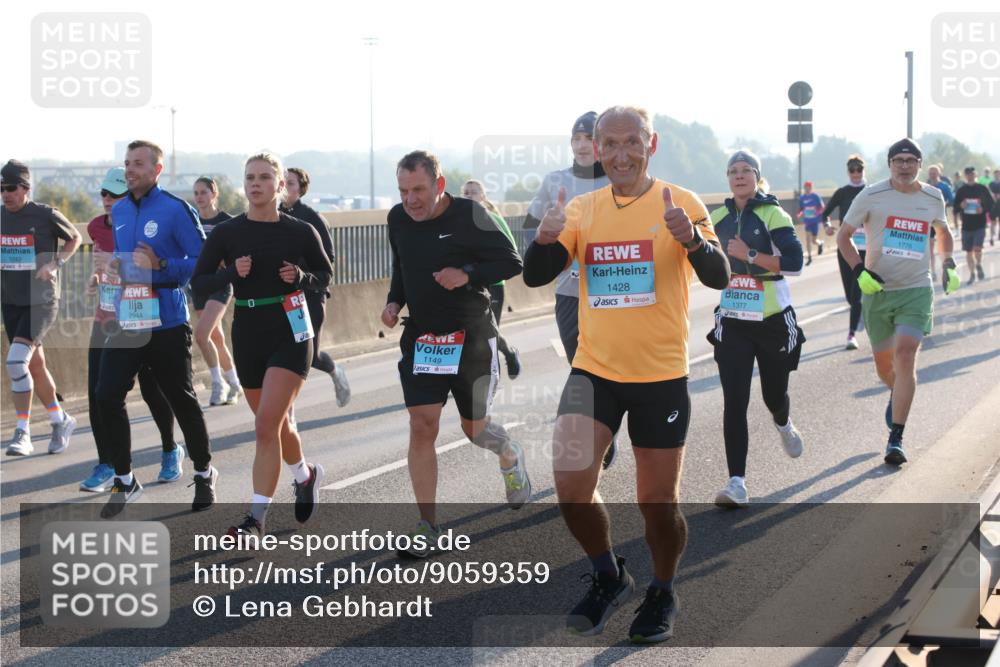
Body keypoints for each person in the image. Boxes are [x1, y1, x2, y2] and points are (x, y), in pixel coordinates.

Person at [523, 106, 730, 643]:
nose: (620, 154)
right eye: (608, 144)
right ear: (593, 147)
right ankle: (609, 575)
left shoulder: (680, 202)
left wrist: (691, 240)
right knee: (570, 487)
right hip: (594, 371)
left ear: (651, 144)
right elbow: (535, 274)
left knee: (656, 504)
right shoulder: (582, 207)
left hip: (659, 375)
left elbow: (718, 275)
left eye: (631, 143)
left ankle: (662, 588)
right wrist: (544, 240)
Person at [382, 150, 530, 556]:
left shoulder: (469, 215)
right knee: (422, 424)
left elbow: (511, 261)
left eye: (418, 190)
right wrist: (395, 302)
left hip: (471, 337)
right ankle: (427, 526)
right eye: (403, 190)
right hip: (424, 339)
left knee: (475, 430)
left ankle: (509, 452)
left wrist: (466, 274)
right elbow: (402, 266)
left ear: (439, 185)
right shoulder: (398, 219)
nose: (410, 199)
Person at [193, 153, 332, 538]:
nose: (256, 184)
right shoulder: (227, 233)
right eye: (250, 178)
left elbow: (325, 275)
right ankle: (304, 476)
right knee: (276, 422)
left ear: (280, 185)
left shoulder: (300, 231)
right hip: (249, 330)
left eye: (265, 177)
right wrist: (229, 273)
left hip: (290, 329)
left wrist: (302, 275)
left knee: (265, 424)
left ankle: (255, 520)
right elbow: (199, 282)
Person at [97, 139, 217, 518]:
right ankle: (125, 479)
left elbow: (203, 264)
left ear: (156, 169)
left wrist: (161, 266)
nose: (129, 169)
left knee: (181, 399)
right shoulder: (118, 213)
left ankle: (202, 470)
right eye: (127, 163)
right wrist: (114, 269)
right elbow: (127, 263)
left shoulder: (175, 210)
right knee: (105, 395)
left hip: (166, 321)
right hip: (128, 320)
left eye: (137, 163)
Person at [837, 138, 959, 466]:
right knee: (885, 367)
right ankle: (897, 393)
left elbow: (943, 232)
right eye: (898, 160)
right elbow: (843, 235)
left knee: (906, 355)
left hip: (917, 289)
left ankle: (896, 437)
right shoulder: (871, 195)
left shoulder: (933, 196)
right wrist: (860, 270)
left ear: (920, 164)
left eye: (910, 160)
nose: (904, 165)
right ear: (890, 163)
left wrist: (947, 262)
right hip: (878, 291)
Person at [708, 151, 805, 508]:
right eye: (732, 171)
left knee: (772, 396)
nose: (738, 176)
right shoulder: (716, 217)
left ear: (756, 176)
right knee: (735, 400)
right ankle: (737, 483)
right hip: (733, 320)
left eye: (745, 170)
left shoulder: (772, 213)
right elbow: (697, 258)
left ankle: (783, 422)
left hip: (773, 321)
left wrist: (749, 256)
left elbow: (794, 262)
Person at [522, 111, 618, 469]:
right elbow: (531, 229)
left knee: (609, 366)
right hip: (569, 292)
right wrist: (546, 231)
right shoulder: (555, 181)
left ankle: (604, 432)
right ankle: (601, 431)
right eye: (575, 139)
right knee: (580, 366)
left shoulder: (616, 180)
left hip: (611, 291)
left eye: (588, 139)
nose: (581, 145)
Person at [81, 167, 185, 491]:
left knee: (153, 390)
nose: (108, 200)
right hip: (107, 318)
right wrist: (96, 277)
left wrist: (116, 262)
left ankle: (170, 449)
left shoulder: (143, 226)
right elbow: (104, 267)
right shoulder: (96, 226)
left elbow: (148, 267)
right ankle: (106, 463)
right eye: (104, 194)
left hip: (142, 316)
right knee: (99, 395)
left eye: (116, 195)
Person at [1, 159, 81, 456]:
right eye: (0, 189)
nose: (5, 194)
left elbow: (75, 237)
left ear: (25, 188)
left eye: (10, 188)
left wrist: (55, 263)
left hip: (42, 301)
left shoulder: (44, 215)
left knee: (15, 363)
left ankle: (22, 431)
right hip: (11, 302)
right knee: (35, 365)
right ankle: (61, 420)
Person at [280, 167, 351, 408]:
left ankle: (335, 371)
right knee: (282, 352)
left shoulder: (311, 218)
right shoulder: (270, 215)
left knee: (308, 355)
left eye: (290, 183)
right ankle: (286, 412)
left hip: (307, 296)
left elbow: (327, 261)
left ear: (300, 189)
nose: (285, 186)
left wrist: (303, 276)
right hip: (279, 296)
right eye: (282, 181)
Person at [460, 179, 522, 379]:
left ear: (483, 196)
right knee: (471, 332)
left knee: (489, 331)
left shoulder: (493, 218)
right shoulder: (459, 222)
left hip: (494, 284)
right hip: (470, 285)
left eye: (474, 192)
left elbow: (511, 251)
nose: (469, 195)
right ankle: (476, 374)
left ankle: (506, 356)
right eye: (466, 192)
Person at [191, 176, 241, 406]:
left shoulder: (227, 222)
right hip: (199, 284)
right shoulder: (192, 222)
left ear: (214, 194)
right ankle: (235, 383)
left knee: (201, 335)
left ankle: (217, 384)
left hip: (221, 284)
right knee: (216, 338)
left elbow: (239, 253)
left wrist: (226, 262)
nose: (200, 197)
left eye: (204, 192)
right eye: (196, 193)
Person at [823, 155, 869, 350]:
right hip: (846, 246)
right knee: (850, 296)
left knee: (857, 292)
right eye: (852, 170)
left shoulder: (871, 192)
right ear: (848, 172)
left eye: (859, 170)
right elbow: (824, 214)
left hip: (867, 249)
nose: (856, 174)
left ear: (863, 170)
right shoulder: (842, 192)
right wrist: (826, 226)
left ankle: (851, 334)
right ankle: (861, 313)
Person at [953, 166, 995, 283]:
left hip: (980, 224)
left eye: (972, 174)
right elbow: (955, 207)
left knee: (977, 248)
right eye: (968, 174)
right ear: (965, 176)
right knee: (968, 251)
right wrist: (961, 206)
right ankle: (972, 274)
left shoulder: (982, 189)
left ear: (975, 175)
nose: (970, 176)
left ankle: (979, 264)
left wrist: (982, 209)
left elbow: (991, 204)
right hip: (966, 225)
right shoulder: (961, 190)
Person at [927, 164, 956, 281]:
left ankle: (945, 270)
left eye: (935, 173)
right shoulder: (926, 186)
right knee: (930, 248)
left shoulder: (944, 186)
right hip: (928, 220)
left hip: (941, 220)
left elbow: (952, 200)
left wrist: (943, 205)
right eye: (931, 173)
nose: (933, 175)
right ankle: (932, 271)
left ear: (939, 174)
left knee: (942, 248)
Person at [797, 181, 827, 265]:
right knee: (808, 239)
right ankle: (809, 257)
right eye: (806, 187)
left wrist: (817, 213)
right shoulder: (802, 198)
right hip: (807, 222)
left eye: (808, 187)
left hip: (815, 222)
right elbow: (801, 208)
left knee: (814, 241)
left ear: (811, 188)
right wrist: (799, 213)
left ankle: (820, 243)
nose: (807, 189)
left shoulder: (816, 196)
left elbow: (822, 207)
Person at [990, 168, 1000, 246]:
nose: (997, 175)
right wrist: (993, 195)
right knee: (993, 222)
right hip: (993, 204)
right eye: (996, 174)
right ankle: (992, 237)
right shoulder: (991, 183)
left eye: (998, 174)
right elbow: (989, 192)